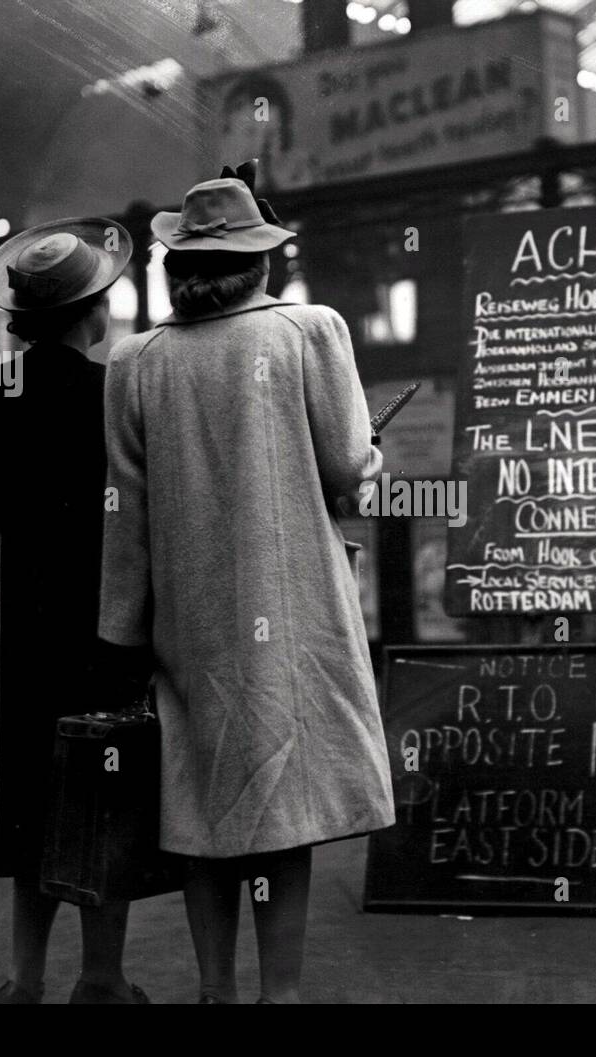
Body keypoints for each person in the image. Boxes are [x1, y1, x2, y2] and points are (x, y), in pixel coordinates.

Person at [98, 165, 395, 1004]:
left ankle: (216, 991)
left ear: (177, 270)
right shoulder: (311, 332)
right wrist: (371, 451)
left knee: (201, 806)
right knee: (286, 805)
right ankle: (283, 995)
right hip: (293, 605)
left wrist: (120, 630)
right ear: (261, 263)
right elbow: (347, 468)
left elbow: (125, 510)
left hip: (186, 621)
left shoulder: (134, 361)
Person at [0, 218, 152, 1004]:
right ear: (91, 312)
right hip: (109, 619)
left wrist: (25, 503)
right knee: (107, 793)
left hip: (30, 623)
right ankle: (102, 977)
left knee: (31, 792)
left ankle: (24, 978)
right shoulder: (115, 387)